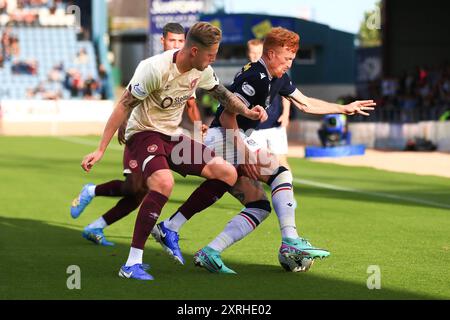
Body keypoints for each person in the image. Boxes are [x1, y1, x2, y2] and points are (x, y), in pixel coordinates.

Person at [151, 27, 376, 274]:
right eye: (286, 58)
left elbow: (306, 102)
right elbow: (227, 116)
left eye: (292, 59)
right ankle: (291, 240)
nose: (289, 64)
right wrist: (245, 154)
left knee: (259, 205)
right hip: (224, 137)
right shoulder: (255, 78)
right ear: (270, 54)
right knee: (280, 172)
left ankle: (204, 247)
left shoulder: (278, 77)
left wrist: (344, 108)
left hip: (236, 138)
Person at [79, 22, 267, 281]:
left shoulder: (201, 69)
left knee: (226, 173)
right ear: (193, 51)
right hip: (143, 134)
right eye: (210, 55)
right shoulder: (154, 69)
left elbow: (222, 94)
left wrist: (247, 111)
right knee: (162, 183)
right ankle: (131, 263)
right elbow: (123, 105)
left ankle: (170, 227)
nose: (213, 59)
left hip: (171, 136)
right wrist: (100, 149)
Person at [70, 23, 207, 246]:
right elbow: (127, 100)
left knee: (138, 192)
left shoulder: (189, 70)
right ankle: (91, 192)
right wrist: (123, 124)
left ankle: (96, 225)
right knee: (134, 187)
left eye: (181, 41)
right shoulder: (153, 67)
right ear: (162, 41)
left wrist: (199, 125)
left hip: (164, 136)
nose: (176, 45)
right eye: (172, 40)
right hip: (141, 134)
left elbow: (191, 104)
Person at [246, 39, 292, 170]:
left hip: (274, 125)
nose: (255, 56)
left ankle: (288, 190)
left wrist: (286, 114)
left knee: (281, 161)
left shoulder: (276, 72)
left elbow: (287, 95)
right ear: (248, 54)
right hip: (254, 128)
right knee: (254, 165)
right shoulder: (244, 74)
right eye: (252, 53)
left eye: (258, 52)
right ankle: (257, 191)